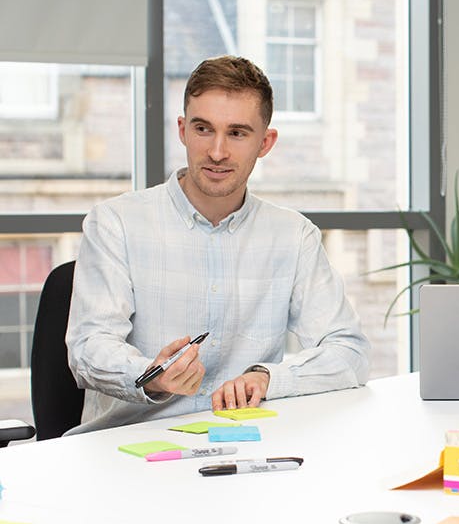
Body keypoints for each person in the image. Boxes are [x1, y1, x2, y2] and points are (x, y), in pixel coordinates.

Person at [66, 55, 370, 434]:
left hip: (246, 445)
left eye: (238, 133)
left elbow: (349, 352)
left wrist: (268, 378)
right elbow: (88, 347)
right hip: (131, 447)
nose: (217, 152)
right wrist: (151, 376)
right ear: (182, 130)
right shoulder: (117, 223)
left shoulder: (293, 236)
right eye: (203, 129)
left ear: (266, 142)